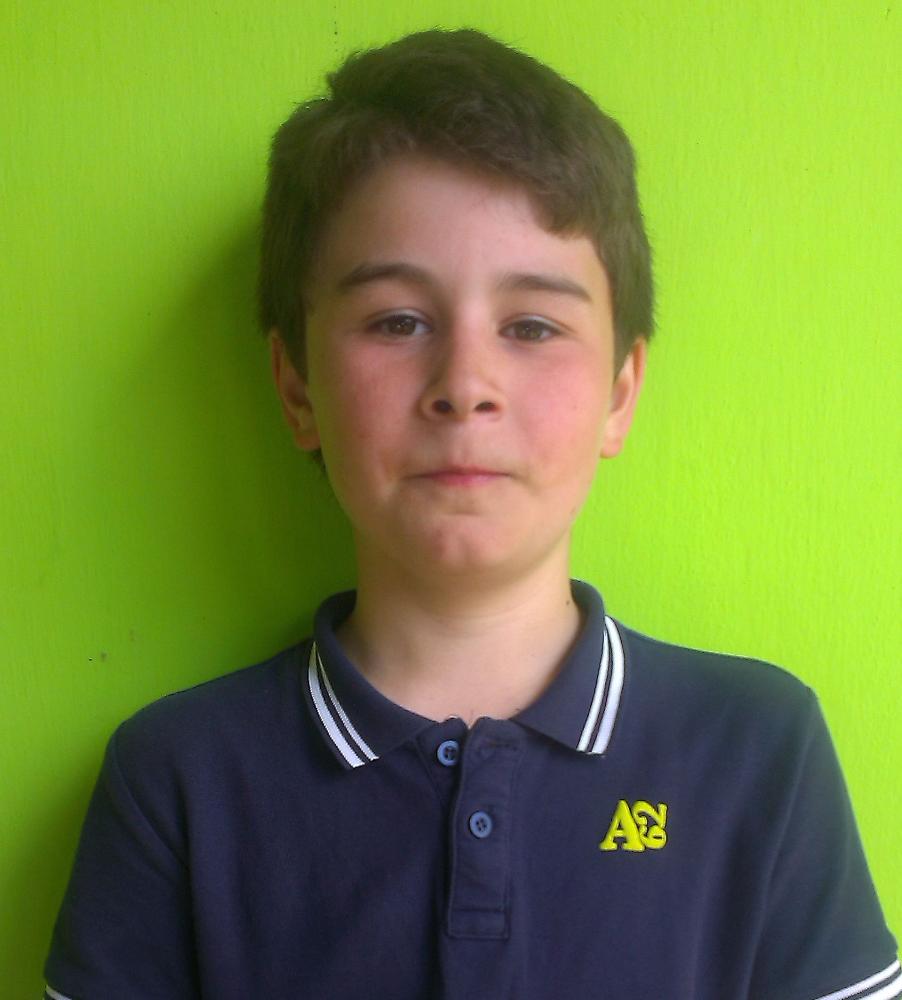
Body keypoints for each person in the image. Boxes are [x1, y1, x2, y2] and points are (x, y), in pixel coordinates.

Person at [43, 26, 898, 1000]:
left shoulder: (759, 751)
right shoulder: (177, 782)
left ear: (620, 392)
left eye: (531, 325)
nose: (464, 385)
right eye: (397, 321)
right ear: (296, 386)